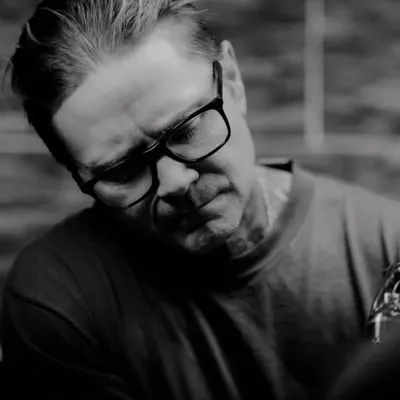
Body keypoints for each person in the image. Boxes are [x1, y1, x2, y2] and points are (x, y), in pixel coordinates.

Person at [1, 0, 400, 399]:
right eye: (122, 170)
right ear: (78, 177)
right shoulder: (57, 297)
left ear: (233, 81)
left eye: (186, 130)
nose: (175, 182)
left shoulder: (386, 247)